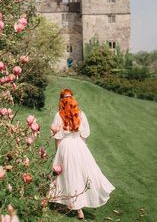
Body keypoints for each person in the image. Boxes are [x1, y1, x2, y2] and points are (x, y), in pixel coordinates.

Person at [49, 89, 115, 220]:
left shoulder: (59, 115)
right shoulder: (80, 114)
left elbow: (57, 137)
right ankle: (75, 205)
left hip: (65, 146)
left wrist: (58, 152)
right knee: (81, 174)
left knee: (69, 174)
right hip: (78, 145)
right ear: (73, 99)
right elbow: (84, 134)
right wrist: (82, 146)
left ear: (61, 100)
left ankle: (76, 207)